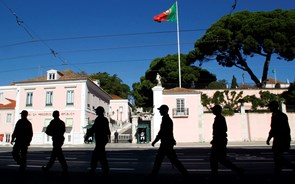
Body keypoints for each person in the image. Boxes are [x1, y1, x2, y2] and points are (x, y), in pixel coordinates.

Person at [149, 105, 188, 181]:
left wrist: (155, 141)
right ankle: (185, 174)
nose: (159, 111)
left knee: (160, 160)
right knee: (172, 160)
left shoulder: (166, 120)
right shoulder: (166, 119)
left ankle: (153, 176)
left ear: (164, 111)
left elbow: (162, 132)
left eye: (160, 110)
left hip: (166, 144)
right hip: (167, 143)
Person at [210, 105, 243, 177]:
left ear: (217, 110)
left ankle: (215, 175)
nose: (212, 111)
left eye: (214, 110)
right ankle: (237, 170)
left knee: (217, 159)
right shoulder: (218, 118)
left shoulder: (220, 118)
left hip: (219, 141)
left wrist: (216, 140)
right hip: (218, 140)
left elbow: (221, 130)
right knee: (218, 159)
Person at [266, 101, 295, 176]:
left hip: (280, 139)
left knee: (278, 157)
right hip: (281, 138)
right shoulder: (279, 115)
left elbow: (275, 129)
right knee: (278, 157)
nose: (269, 108)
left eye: (270, 106)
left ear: (274, 107)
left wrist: (269, 138)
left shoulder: (278, 116)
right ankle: (278, 171)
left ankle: (280, 171)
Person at [84, 106, 111, 177]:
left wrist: (87, 135)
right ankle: (104, 171)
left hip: (100, 139)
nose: (95, 112)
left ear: (99, 112)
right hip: (103, 139)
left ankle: (97, 171)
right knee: (100, 156)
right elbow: (108, 130)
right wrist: (108, 137)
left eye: (97, 111)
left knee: (97, 156)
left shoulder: (99, 119)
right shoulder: (105, 119)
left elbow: (94, 128)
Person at [42, 110, 68, 176]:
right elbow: (63, 131)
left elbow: (47, 131)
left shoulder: (53, 122)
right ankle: (64, 169)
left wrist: (52, 134)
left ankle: (64, 169)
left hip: (56, 140)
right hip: (60, 140)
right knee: (57, 155)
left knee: (56, 156)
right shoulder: (62, 123)